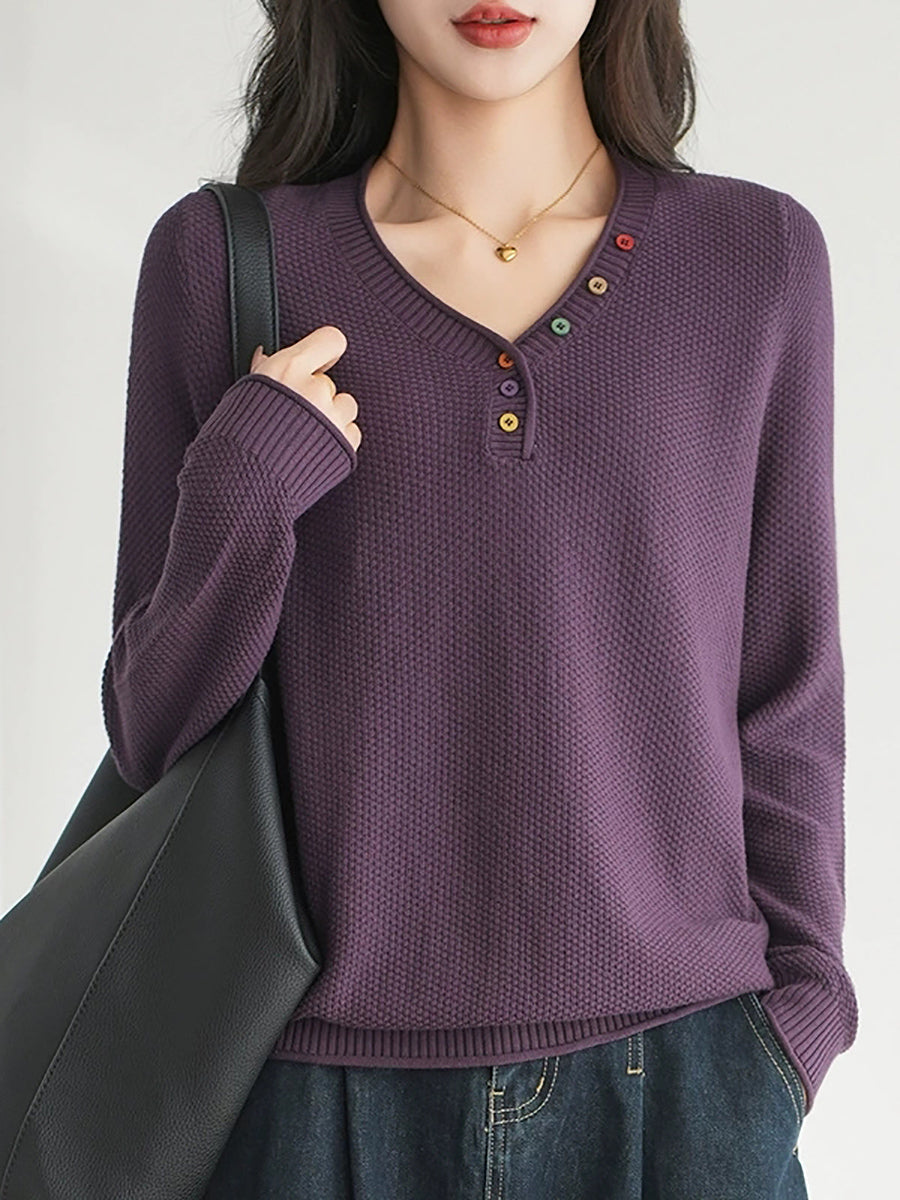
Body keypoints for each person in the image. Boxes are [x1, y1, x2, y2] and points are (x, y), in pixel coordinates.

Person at [102, 1, 858, 1196]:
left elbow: (789, 694)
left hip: (687, 1088)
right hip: (303, 1104)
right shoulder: (225, 262)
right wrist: (248, 486)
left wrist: (795, 1028)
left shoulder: (756, 260)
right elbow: (150, 732)